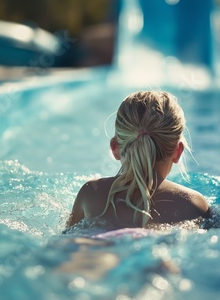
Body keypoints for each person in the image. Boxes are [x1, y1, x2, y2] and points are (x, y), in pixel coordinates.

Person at [66, 91, 211, 230]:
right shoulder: (193, 205)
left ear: (115, 148)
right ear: (178, 151)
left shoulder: (90, 194)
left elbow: (66, 241)